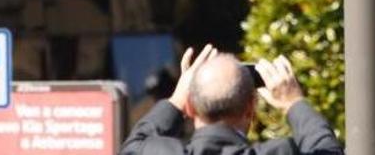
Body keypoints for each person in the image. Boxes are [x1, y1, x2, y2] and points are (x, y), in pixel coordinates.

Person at [120, 44, 344, 155]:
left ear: (190, 106)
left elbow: (134, 145)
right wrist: (293, 102)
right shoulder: (281, 151)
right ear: (251, 108)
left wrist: (176, 99)